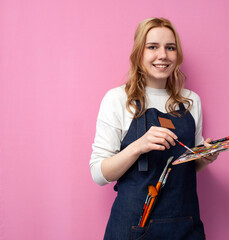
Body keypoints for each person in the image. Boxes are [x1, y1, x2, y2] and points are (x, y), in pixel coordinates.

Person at [90, 17, 218, 240]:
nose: (163, 55)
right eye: (152, 47)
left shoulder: (191, 101)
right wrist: (138, 146)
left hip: (185, 226)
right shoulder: (118, 99)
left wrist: (204, 158)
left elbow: (187, 166)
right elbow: (99, 174)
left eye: (170, 48)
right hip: (132, 227)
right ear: (139, 52)